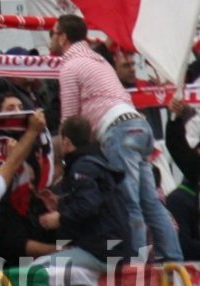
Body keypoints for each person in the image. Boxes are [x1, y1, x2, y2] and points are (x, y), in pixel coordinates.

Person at [50, 14, 182, 263]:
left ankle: (137, 267)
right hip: (137, 126)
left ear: (63, 37)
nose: (50, 40)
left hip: (117, 131)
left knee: (129, 202)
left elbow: (69, 120)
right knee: (151, 203)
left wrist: (64, 160)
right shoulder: (98, 59)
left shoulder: (70, 66)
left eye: (53, 34)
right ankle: (173, 261)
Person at [39, 118, 133, 273]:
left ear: (66, 142)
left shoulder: (83, 167)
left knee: (38, 269)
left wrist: (60, 218)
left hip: (103, 252)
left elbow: (88, 204)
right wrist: (61, 203)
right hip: (114, 250)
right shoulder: (97, 163)